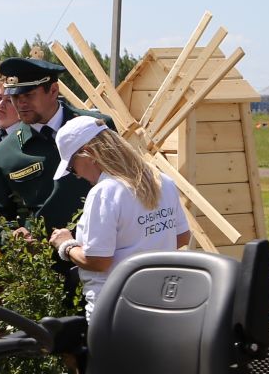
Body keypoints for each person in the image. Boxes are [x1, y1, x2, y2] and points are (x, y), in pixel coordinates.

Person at [47, 116, 191, 313]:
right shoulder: (162, 181)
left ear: (88, 153)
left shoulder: (105, 192)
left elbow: (98, 261)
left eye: (72, 168)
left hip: (117, 307)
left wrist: (66, 245)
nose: (77, 175)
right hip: (162, 298)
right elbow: (182, 236)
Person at [0, 55, 109, 245]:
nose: (20, 104)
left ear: (53, 90)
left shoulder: (98, 129)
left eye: (29, 95)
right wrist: (12, 238)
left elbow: (128, 183)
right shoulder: (4, 153)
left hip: (101, 252)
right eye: (15, 96)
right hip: (44, 263)